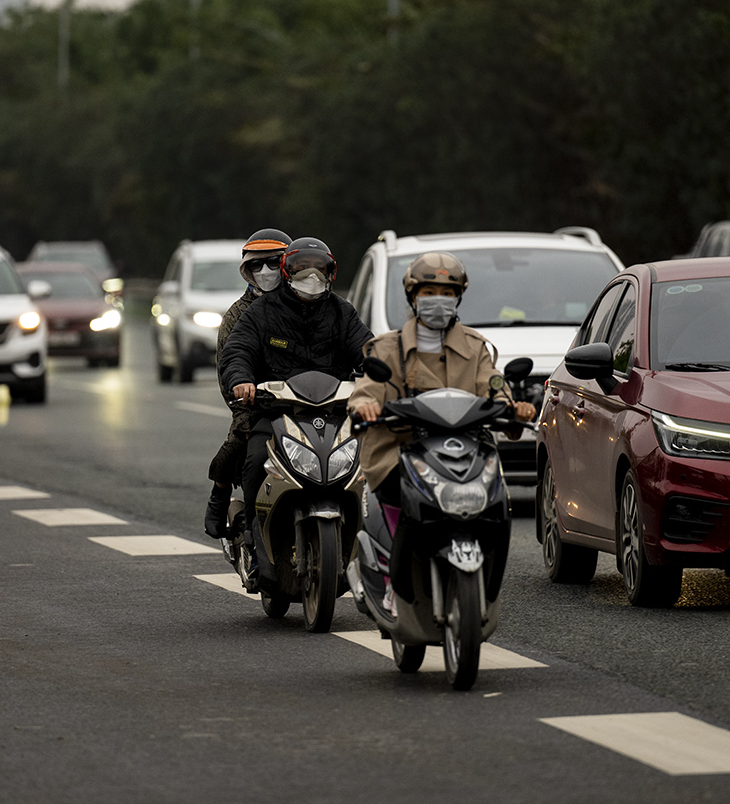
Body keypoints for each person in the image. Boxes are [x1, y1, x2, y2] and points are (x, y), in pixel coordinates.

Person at [347, 252, 537, 613]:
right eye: (429, 291)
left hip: (464, 448)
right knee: (403, 499)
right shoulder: (386, 348)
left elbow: (493, 386)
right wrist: (366, 406)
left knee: (496, 503)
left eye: (447, 293)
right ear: (413, 296)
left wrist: (513, 406)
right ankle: (391, 583)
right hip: (400, 448)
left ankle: (485, 578)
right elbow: (367, 390)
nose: (438, 300)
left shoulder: (476, 347)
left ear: (459, 298)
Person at [219, 237, 373, 581]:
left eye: (320, 271)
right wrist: (242, 380)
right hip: (276, 413)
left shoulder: (341, 311)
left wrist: (380, 372)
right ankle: (256, 545)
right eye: (303, 270)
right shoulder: (261, 312)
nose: (312, 277)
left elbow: (367, 347)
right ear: (288, 273)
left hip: (335, 413)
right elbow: (237, 351)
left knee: (374, 465)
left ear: (331, 273)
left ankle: (372, 554)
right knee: (255, 462)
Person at [202, 228, 292, 538]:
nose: (265, 272)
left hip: (306, 403)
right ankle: (225, 497)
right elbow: (228, 368)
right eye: (257, 265)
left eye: (273, 263)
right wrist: (244, 390)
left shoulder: (308, 307)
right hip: (257, 404)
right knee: (245, 446)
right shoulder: (237, 316)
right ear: (246, 271)